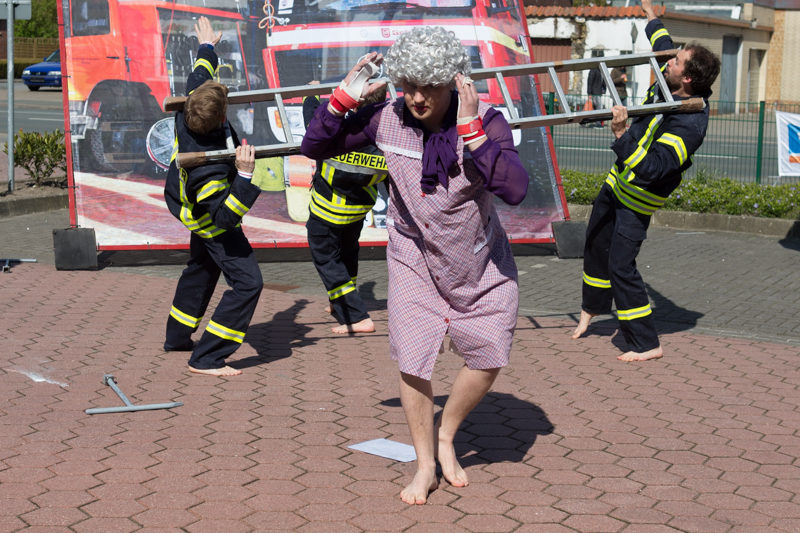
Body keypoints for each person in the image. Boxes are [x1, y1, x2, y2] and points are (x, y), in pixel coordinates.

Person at [301, 26, 528, 505]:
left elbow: (514, 188)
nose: (418, 98)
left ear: (453, 82)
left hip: (478, 261)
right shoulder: (385, 118)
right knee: (412, 356)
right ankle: (425, 465)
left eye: (430, 87)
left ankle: (447, 434)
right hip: (414, 257)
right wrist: (343, 99)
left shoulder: (487, 121)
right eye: (409, 86)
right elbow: (315, 147)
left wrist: (471, 130)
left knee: (490, 351)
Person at [571, 0, 721, 362]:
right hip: (616, 182)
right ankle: (592, 309)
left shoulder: (690, 125)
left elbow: (653, 168)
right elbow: (662, 44)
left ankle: (647, 343)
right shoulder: (674, 78)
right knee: (596, 244)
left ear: (687, 78)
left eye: (676, 62)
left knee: (621, 266)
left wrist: (621, 135)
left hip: (638, 197)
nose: (667, 62)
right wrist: (651, 16)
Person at [163, 17, 262, 377]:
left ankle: (177, 337)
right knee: (248, 283)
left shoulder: (190, 106)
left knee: (202, 269)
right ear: (221, 118)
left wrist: (207, 45)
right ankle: (207, 357)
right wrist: (245, 175)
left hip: (187, 205)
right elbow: (224, 218)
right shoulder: (210, 171)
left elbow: (200, 74)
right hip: (209, 219)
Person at [302, 85, 389, 334]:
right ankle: (338, 302)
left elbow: (314, 118)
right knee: (347, 253)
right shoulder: (385, 136)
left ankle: (356, 317)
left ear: (356, 102)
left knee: (328, 260)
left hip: (327, 211)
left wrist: (311, 95)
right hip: (358, 210)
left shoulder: (337, 129)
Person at [586, 55, 606, 127]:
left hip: (599, 92)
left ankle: (594, 122)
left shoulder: (601, 70)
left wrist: (604, 89)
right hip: (594, 92)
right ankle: (597, 123)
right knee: (598, 107)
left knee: (596, 107)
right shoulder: (593, 70)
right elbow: (590, 81)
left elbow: (603, 81)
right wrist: (589, 93)